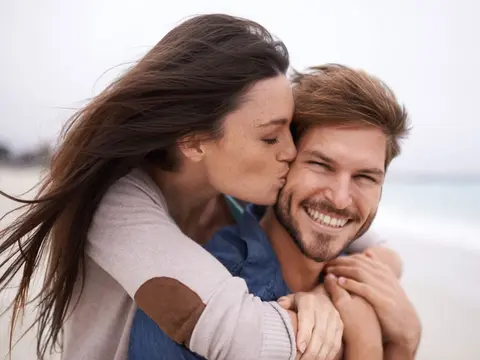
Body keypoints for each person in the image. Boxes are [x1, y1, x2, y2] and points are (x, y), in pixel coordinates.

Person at [1, 14, 388, 360]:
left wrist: (323, 294)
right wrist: (354, 330)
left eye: (290, 130)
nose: (291, 150)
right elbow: (241, 340)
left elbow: (370, 246)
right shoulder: (118, 208)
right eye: (270, 138)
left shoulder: (237, 188)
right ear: (195, 141)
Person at [128, 65, 421, 360]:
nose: (341, 199)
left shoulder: (364, 282)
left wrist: (404, 341)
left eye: (365, 177)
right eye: (320, 165)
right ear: (283, 163)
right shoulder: (203, 301)